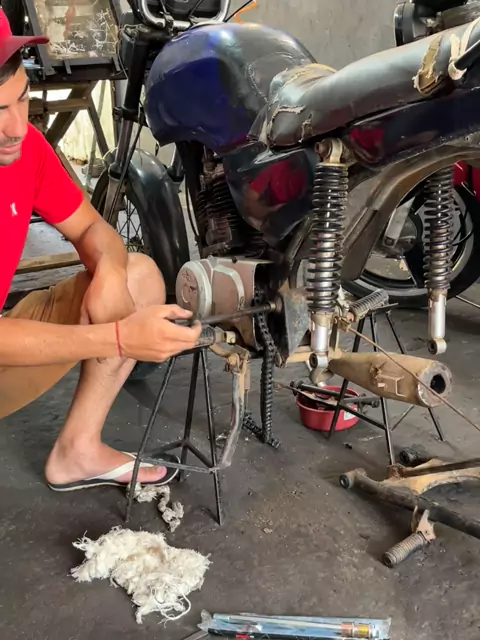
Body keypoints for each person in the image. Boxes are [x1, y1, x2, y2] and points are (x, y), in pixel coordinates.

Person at [0, 9, 202, 492]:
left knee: (138, 274)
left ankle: (78, 451)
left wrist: (109, 272)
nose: (17, 128)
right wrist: (116, 338)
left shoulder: (27, 149)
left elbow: (93, 227)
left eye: (22, 99)